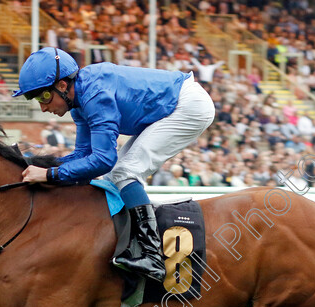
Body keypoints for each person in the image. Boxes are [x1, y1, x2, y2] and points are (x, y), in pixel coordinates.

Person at [14, 47, 215, 282]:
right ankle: (126, 244)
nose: (43, 107)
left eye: (43, 97)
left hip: (188, 106)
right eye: (36, 99)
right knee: (113, 178)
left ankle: (153, 255)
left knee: (125, 171)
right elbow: (84, 155)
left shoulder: (94, 94)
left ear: (62, 86)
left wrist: (49, 175)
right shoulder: (79, 102)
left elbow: (103, 160)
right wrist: (39, 166)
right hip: (173, 104)